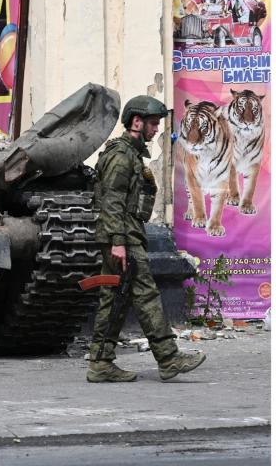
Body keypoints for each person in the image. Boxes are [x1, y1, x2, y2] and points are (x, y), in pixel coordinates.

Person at [87, 96, 207, 383]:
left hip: (124, 235)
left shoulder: (130, 154)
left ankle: (100, 362)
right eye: (153, 124)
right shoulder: (121, 156)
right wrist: (118, 241)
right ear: (136, 122)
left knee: (114, 299)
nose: (156, 130)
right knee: (146, 294)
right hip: (122, 237)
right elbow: (112, 201)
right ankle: (168, 357)